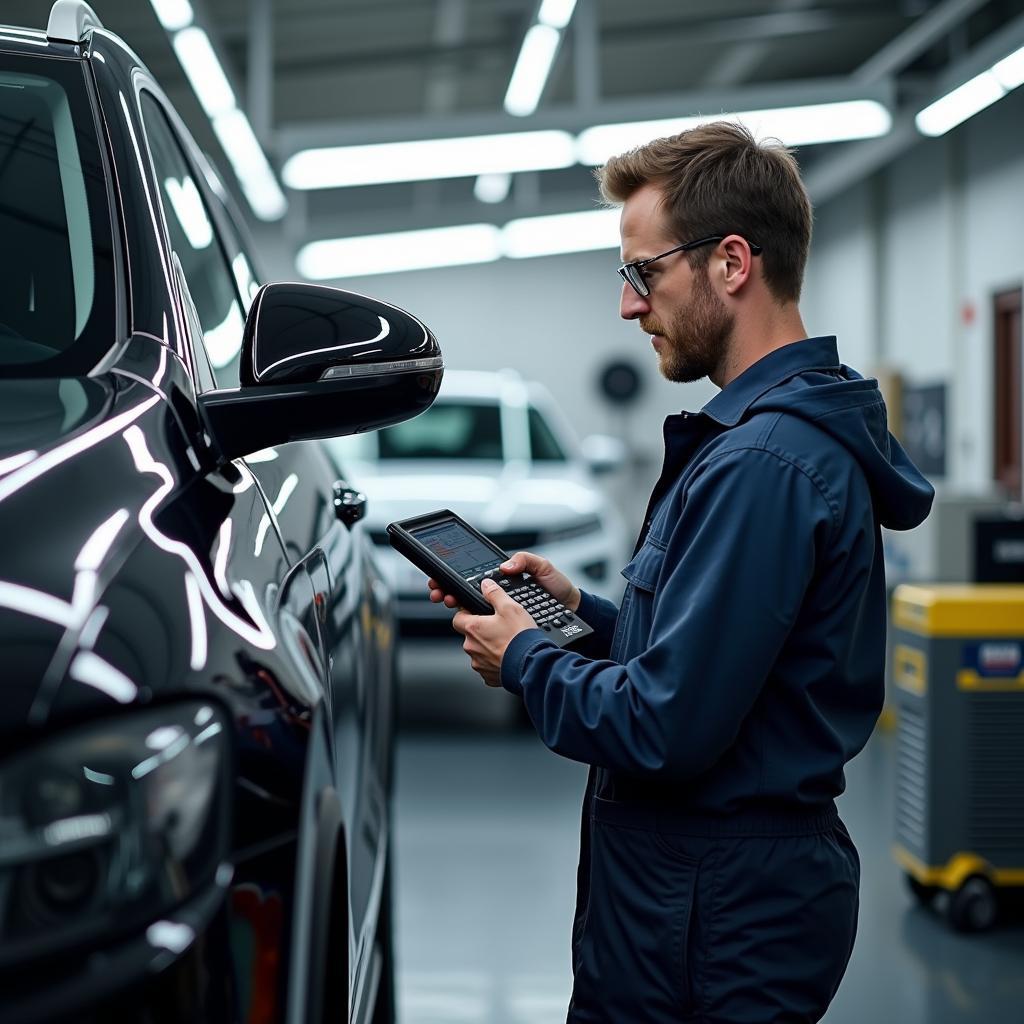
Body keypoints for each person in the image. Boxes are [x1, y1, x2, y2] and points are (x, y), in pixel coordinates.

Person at [428, 121, 934, 1024]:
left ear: (731, 263)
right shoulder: (759, 447)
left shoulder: (764, 465)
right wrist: (575, 608)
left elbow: (665, 727)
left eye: (642, 274)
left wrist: (526, 660)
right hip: (700, 897)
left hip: (711, 912)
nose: (629, 307)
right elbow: (711, 661)